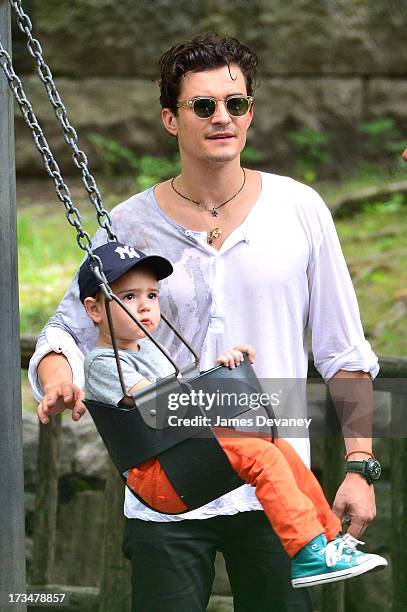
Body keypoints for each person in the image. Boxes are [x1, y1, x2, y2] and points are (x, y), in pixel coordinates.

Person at [30, 34, 381, 612]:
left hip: (276, 494)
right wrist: (54, 374)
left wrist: (360, 466)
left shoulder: (300, 209)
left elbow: (344, 352)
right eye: (203, 105)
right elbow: (65, 328)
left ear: (250, 113)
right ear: (171, 119)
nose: (223, 117)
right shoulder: (128, 224)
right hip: (169, 488)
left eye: (235, 103)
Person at [80, 241, 386, 590]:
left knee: (276, 447)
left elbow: (182, 395)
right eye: (129, 297)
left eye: (152, 295)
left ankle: (329, 541)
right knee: (261, 456)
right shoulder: (102, 363)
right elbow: (162, 407)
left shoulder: (149, 348)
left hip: (180, 455)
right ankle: (306, 551)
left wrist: (220, 367)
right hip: (158, 473)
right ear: (95, 309)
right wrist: (212, 384)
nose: (145, 306)